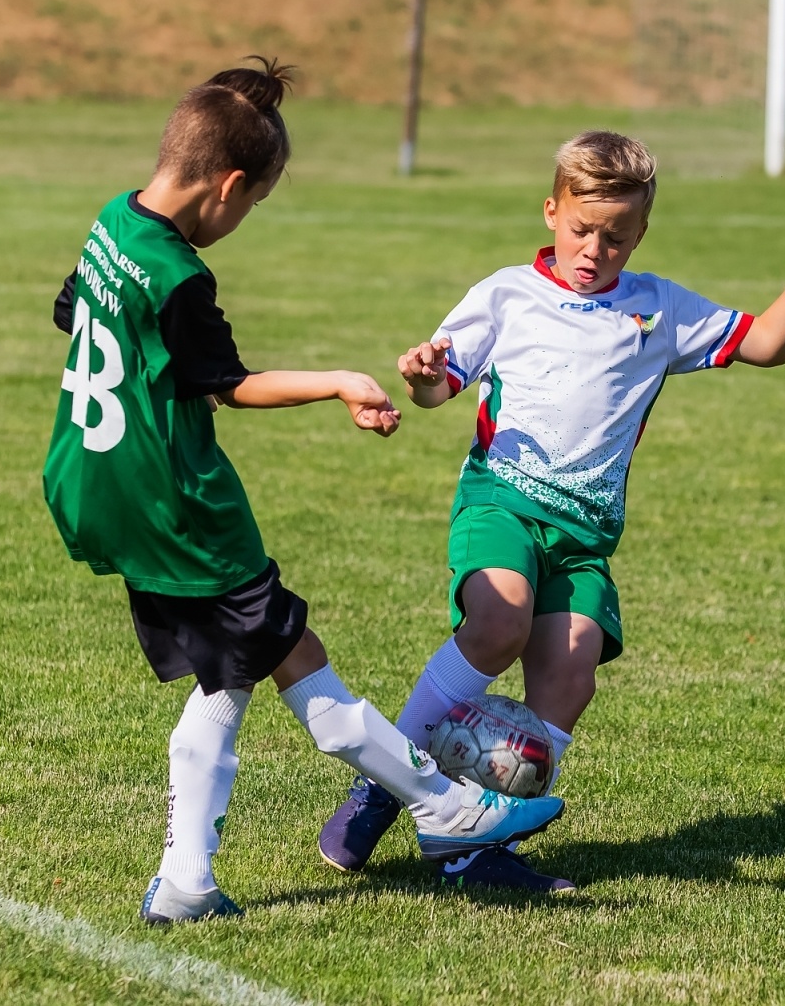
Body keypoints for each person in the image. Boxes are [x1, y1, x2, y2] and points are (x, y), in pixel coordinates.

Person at [41, 58, 566, 923]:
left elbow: (75, 314)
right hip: (178, 507)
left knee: (232, 674)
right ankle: (442, 809)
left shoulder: (112, 224)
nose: (243, 220)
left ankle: (186, 884)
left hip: (92, 483)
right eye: (252, 205)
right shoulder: (179, 273)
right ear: (230, 183)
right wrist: (336, 381)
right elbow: (225, 385)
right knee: (294, 657)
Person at [317, 131, 785, 891]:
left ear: (640, 235)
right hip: (502, 502)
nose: (595, 250)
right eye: (580, 230)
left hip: (584, 538)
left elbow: (764, 343)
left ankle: (473, 847)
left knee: (571, 675)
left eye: (617, 238)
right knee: (498, 621)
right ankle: (385, 782)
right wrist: (423, 375)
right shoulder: (507, 293)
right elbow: (440, 387)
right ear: (550, 212)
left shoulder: (658, 309)